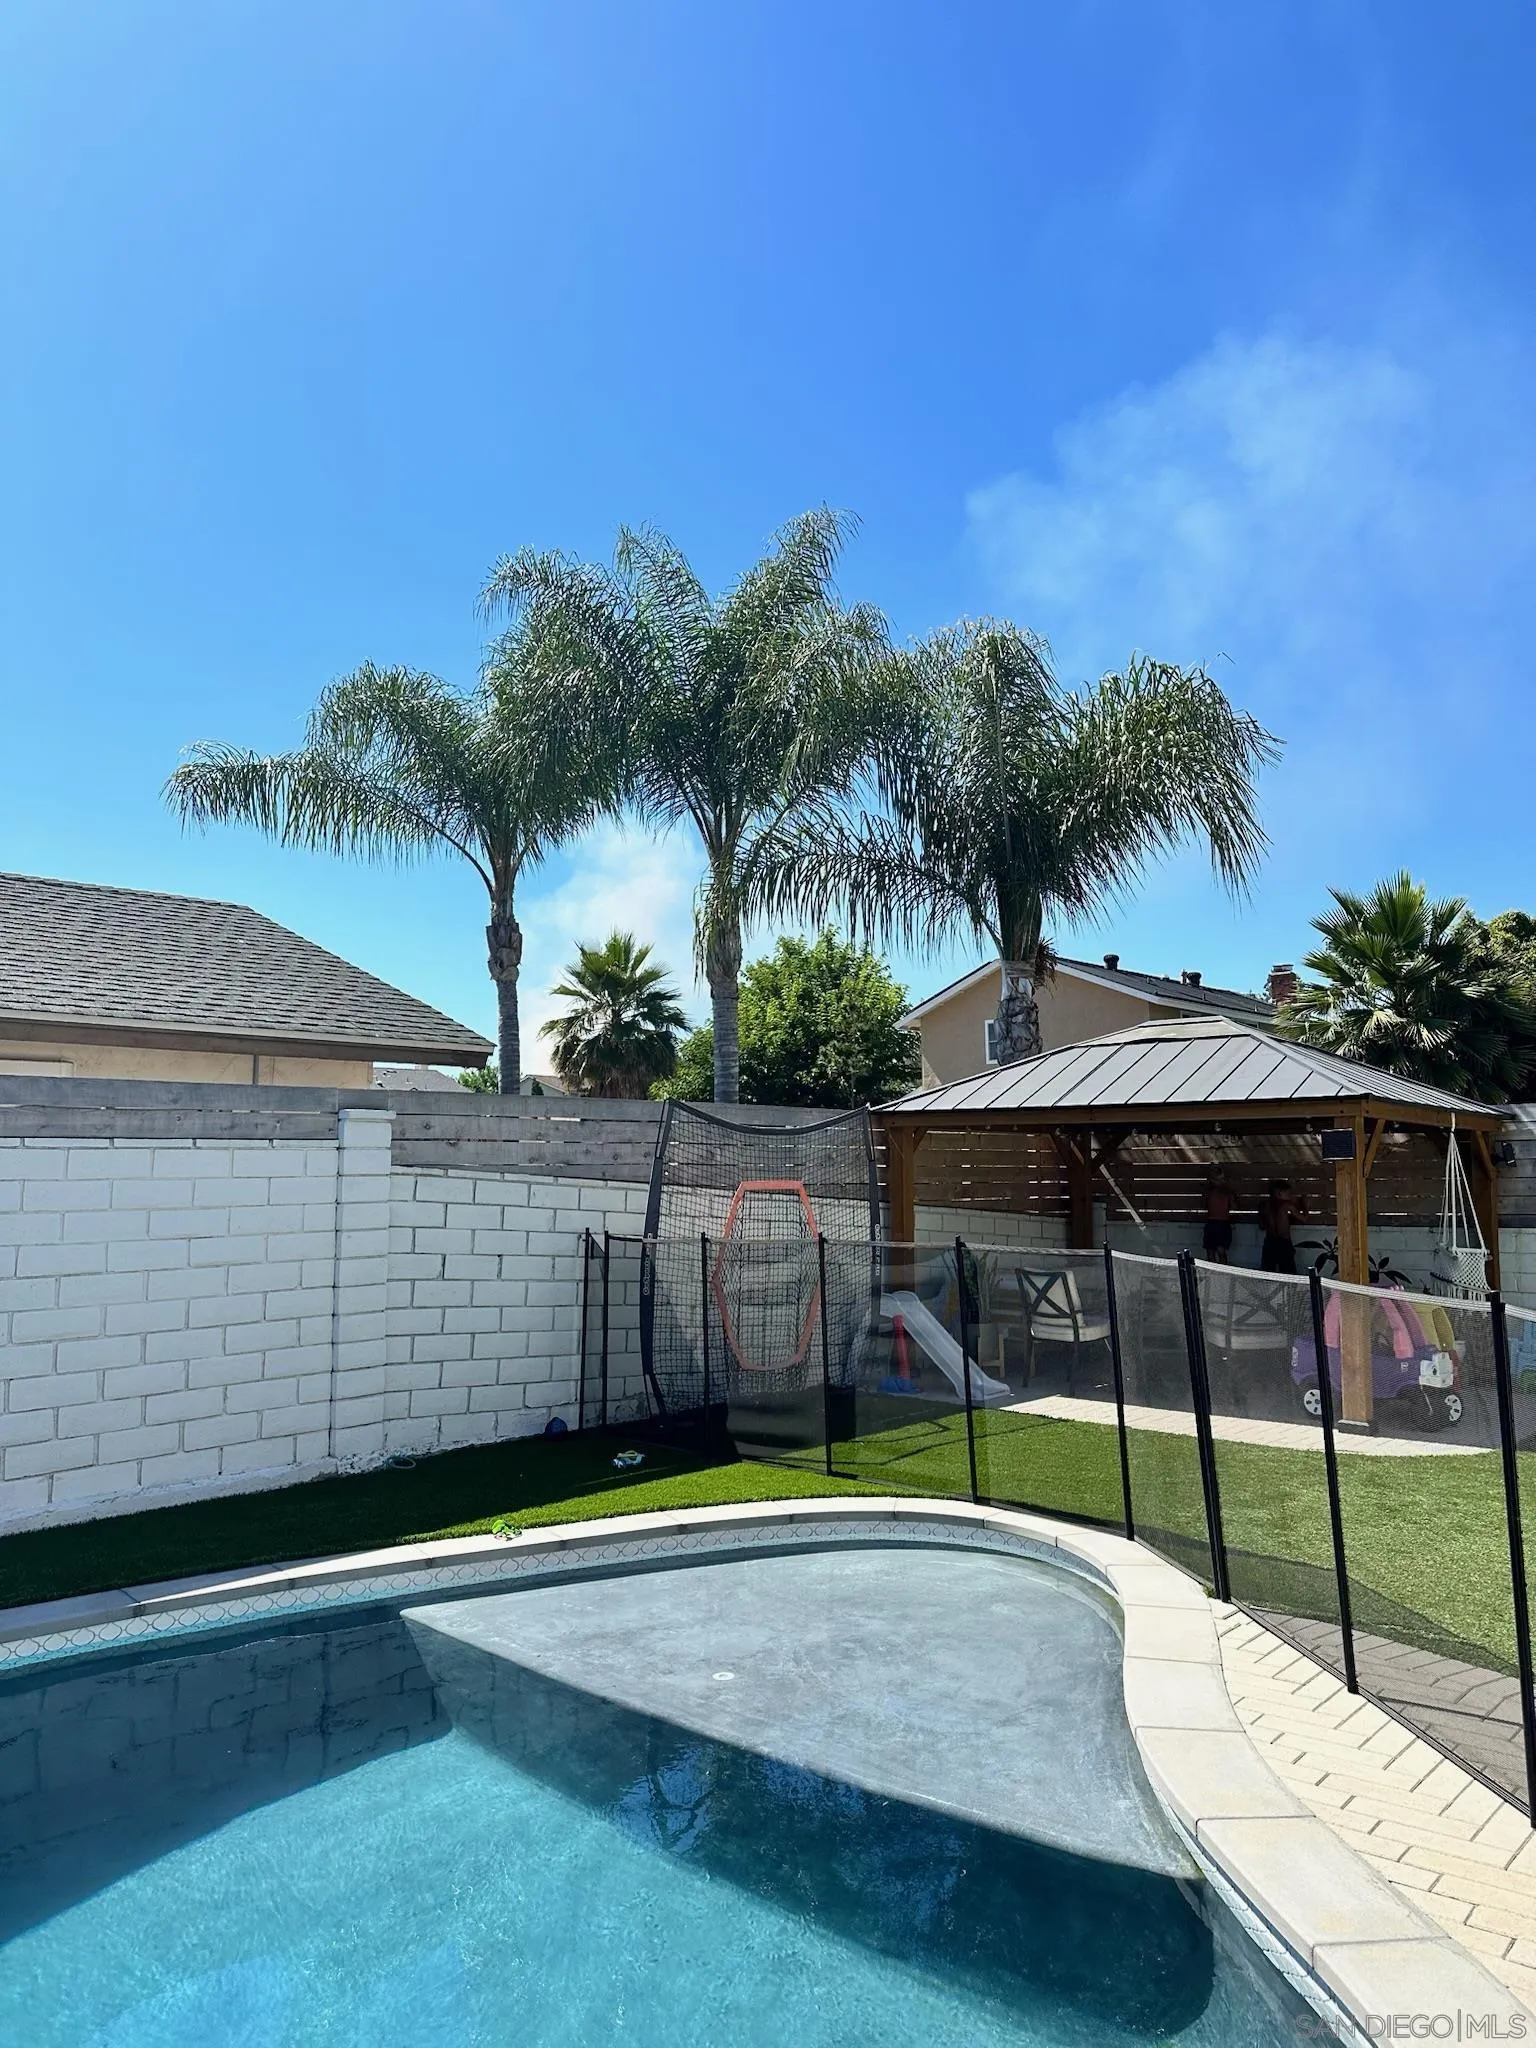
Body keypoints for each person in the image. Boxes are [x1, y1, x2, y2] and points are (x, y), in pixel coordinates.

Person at [1259, 1179, 1302, 1274]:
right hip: (1283, 1243)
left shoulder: (1265, 1206)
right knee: (1289, 1274)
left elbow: (1261, 1226)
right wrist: (1306, 1206)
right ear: (1279, 1193)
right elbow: (1304, 1218)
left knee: (1268, 1274)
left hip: (1269, 1242)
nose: (1290, 1196)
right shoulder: (1287, 1205)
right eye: (1288, 1193)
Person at [1202, 1167, 1233, 1263]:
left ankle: (1223, 1272)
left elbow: (1234, 1205)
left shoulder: (1227, 1192)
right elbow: (1204, 1205)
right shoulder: (1209, 1192)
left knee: (1221, 1250)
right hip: (1212, 1222)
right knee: (1210, 1250)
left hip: (1222, 1223)